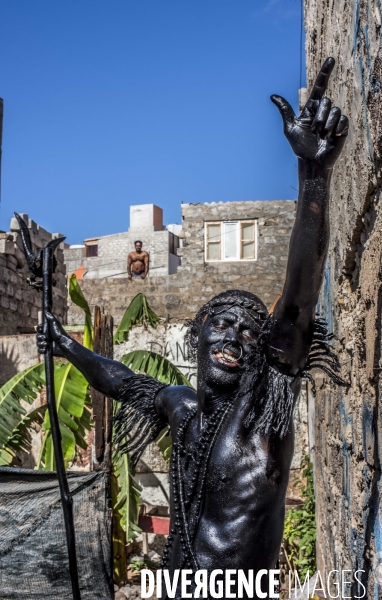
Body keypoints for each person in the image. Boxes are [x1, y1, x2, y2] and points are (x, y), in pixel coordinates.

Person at [38, 58, 348, 598]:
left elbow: (299, 298)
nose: (233, 336)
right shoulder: (182, 408)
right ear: (197, 332)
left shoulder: (261, 413)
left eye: (250, 331)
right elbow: (121, 380)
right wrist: (66, 345)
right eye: (221, 324)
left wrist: (315, 174)